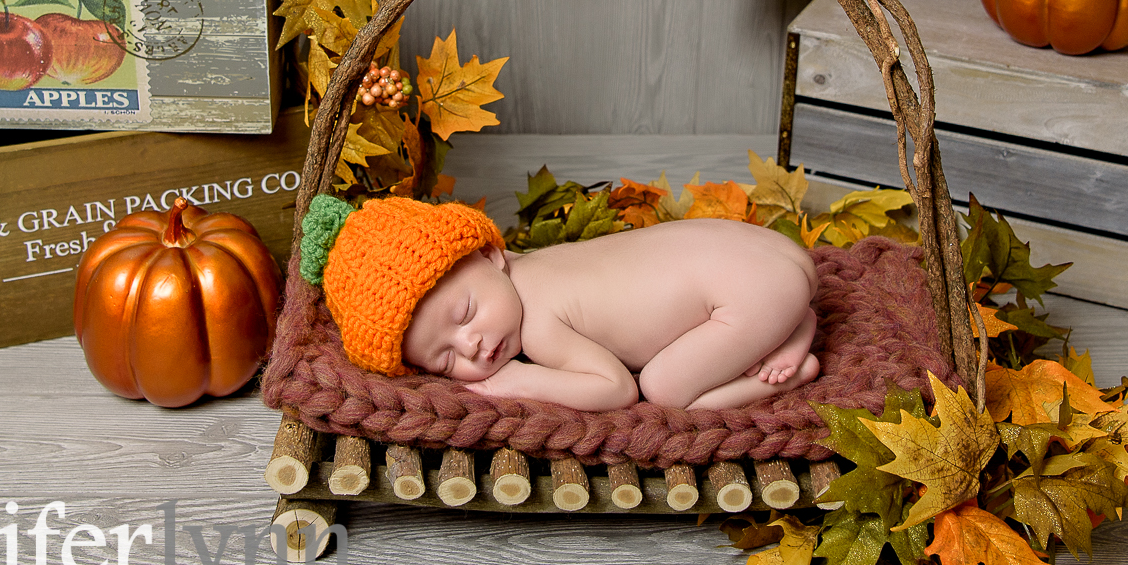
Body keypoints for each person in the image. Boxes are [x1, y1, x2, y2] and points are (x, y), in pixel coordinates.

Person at [300, 195, 820, 411]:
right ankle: (794, 321)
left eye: (464, 315)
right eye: (445, 358)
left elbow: (615, 388)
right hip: (773, 254)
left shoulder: (541, 324)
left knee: (663, 389)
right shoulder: (535, 265)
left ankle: (791, 357)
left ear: (490, 254)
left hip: (756, 290)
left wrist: (518, 382)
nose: (473, 345)